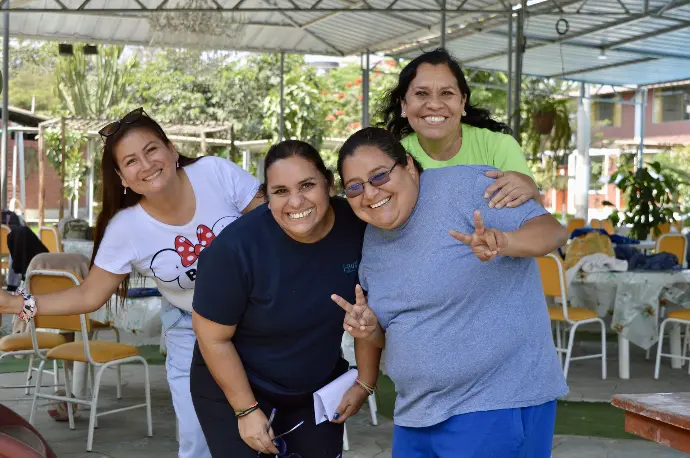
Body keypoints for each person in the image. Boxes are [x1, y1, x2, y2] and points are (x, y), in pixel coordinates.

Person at [0, 107, 265, 458]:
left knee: (274, 420)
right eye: (131, 161)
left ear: (171, 150)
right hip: (191, 327)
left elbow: (273, 222)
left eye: (151, 150)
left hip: (258, 313)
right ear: (122, 177)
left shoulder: (214, 173)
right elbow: (89, 295)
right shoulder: (126, 228)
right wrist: (17, 303)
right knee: (199, 437)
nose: (146, 164)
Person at [333, 127, 569, 458]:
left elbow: (552, 232)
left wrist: (505, 241)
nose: (370, 193)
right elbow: (399, 331)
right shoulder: (373, 239)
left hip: (495, 402)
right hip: (416, 414)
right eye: (355, 187)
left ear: (409, 165)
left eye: (380, 176)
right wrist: (370, 330)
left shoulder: (466, 186)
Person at [191, 140, 382, 458]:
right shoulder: (234, 250)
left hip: (315, 383)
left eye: (307, 185)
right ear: (267, 198)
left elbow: (365, 313)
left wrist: (365, 381)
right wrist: (245, 410)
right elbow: (212, 337)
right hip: (238, 385)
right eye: (280, 191)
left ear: (329, 184)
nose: (296, 201)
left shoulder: (359, 226)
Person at [380, 47, 540, 210]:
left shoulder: (499, 146)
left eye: (446, 93)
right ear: (404, 105)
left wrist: (529, 187)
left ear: (463, 102)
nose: (434, 104)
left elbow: (535, 215)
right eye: (421, 93)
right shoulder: (392, 159)